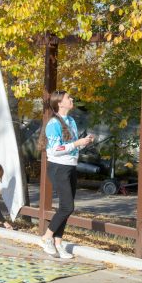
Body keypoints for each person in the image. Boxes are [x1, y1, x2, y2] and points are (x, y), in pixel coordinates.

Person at [38, 90, 94, 259]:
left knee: (66, 208)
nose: (72, 99)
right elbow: (55, 150)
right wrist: (77, 143)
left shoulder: (71, 120)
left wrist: (84, 142)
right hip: (58, 168)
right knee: (67, 207)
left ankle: (58, 243)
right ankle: (46, 237)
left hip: (71, 167)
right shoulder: (53, 123)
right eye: (68, 98)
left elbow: (72, 146)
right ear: (60, 103)